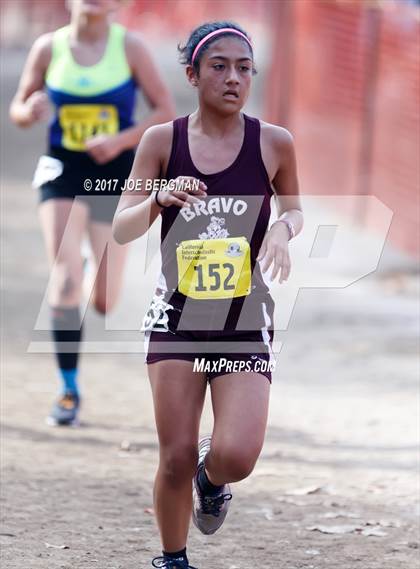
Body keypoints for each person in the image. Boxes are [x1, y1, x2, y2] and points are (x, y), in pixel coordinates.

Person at [113, 21, 303, 569]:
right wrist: (157, 199)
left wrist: (281, 231)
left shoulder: (274, 142)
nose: (233, 78)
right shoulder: (161, 142)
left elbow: (294, 208)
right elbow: (123, 228)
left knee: (237, 454)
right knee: (172, 456)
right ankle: (173, 560)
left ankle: (212, 478)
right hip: (176, 317)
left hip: (244, 318)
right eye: (218, 66)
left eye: (244, 68)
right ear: (192, 75)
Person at [9, 0, 175, 426]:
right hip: (62, 169)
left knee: (104, 299)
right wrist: (30, 111)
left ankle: (89, 264)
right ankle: (68, 390)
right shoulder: (49, 48)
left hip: (114, 173)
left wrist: (120, 142)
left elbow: (164, 112)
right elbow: (19, 108)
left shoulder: (130, 48)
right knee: (63, 281)